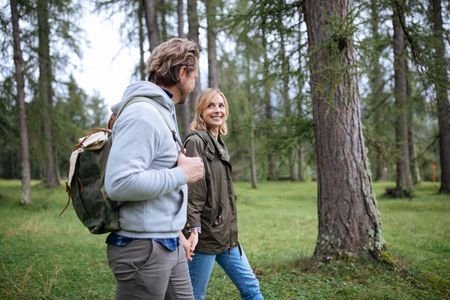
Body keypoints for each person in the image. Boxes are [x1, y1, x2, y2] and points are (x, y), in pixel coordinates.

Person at [104, 38, 204, 300]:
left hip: (169, 242)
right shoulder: (142, 114)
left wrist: (175, 231)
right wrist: (183, 174)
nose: (194, 86)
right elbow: (120, 183)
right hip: (143, 249)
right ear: (182, 73)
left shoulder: (161, 111)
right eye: (194, 77)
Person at [183, 89, 264, 300]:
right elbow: (193, 190)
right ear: (200, 110)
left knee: (251, 289)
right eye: (211, 105)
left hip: (226, 236)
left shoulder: (218, 141)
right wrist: (193, 229)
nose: (217, 110)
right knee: (193, 296)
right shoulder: (196, 142)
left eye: (221, 105)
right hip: (205, 236)